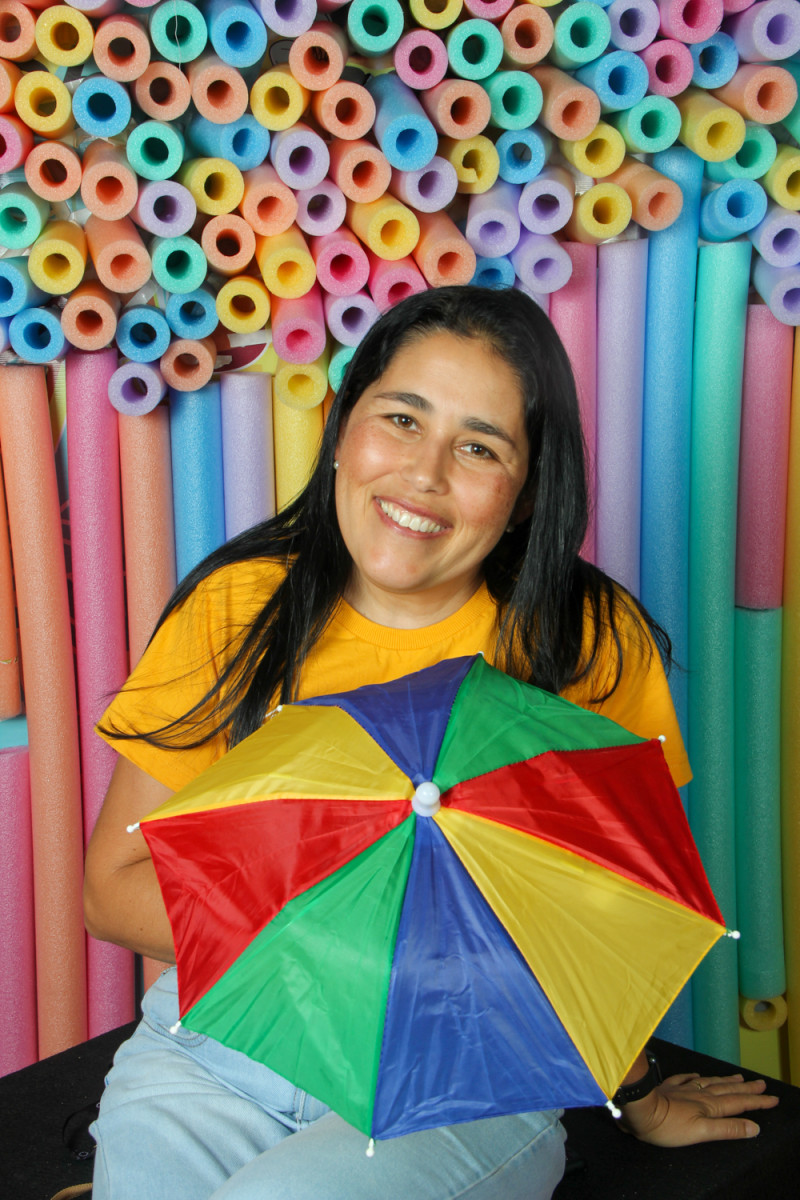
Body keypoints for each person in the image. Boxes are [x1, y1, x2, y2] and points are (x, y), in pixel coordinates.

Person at [84, 286, 777, 1200]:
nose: (425, 473)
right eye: (402, 419)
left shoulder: (586, 641)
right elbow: (111, 890)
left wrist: (637, 1089)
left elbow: (604, 924)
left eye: (480, 447)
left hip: (463, 1073)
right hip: (212, 1048)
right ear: (342, 429)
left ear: (524, 495)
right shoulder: (238, 608)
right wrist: (350, 929)